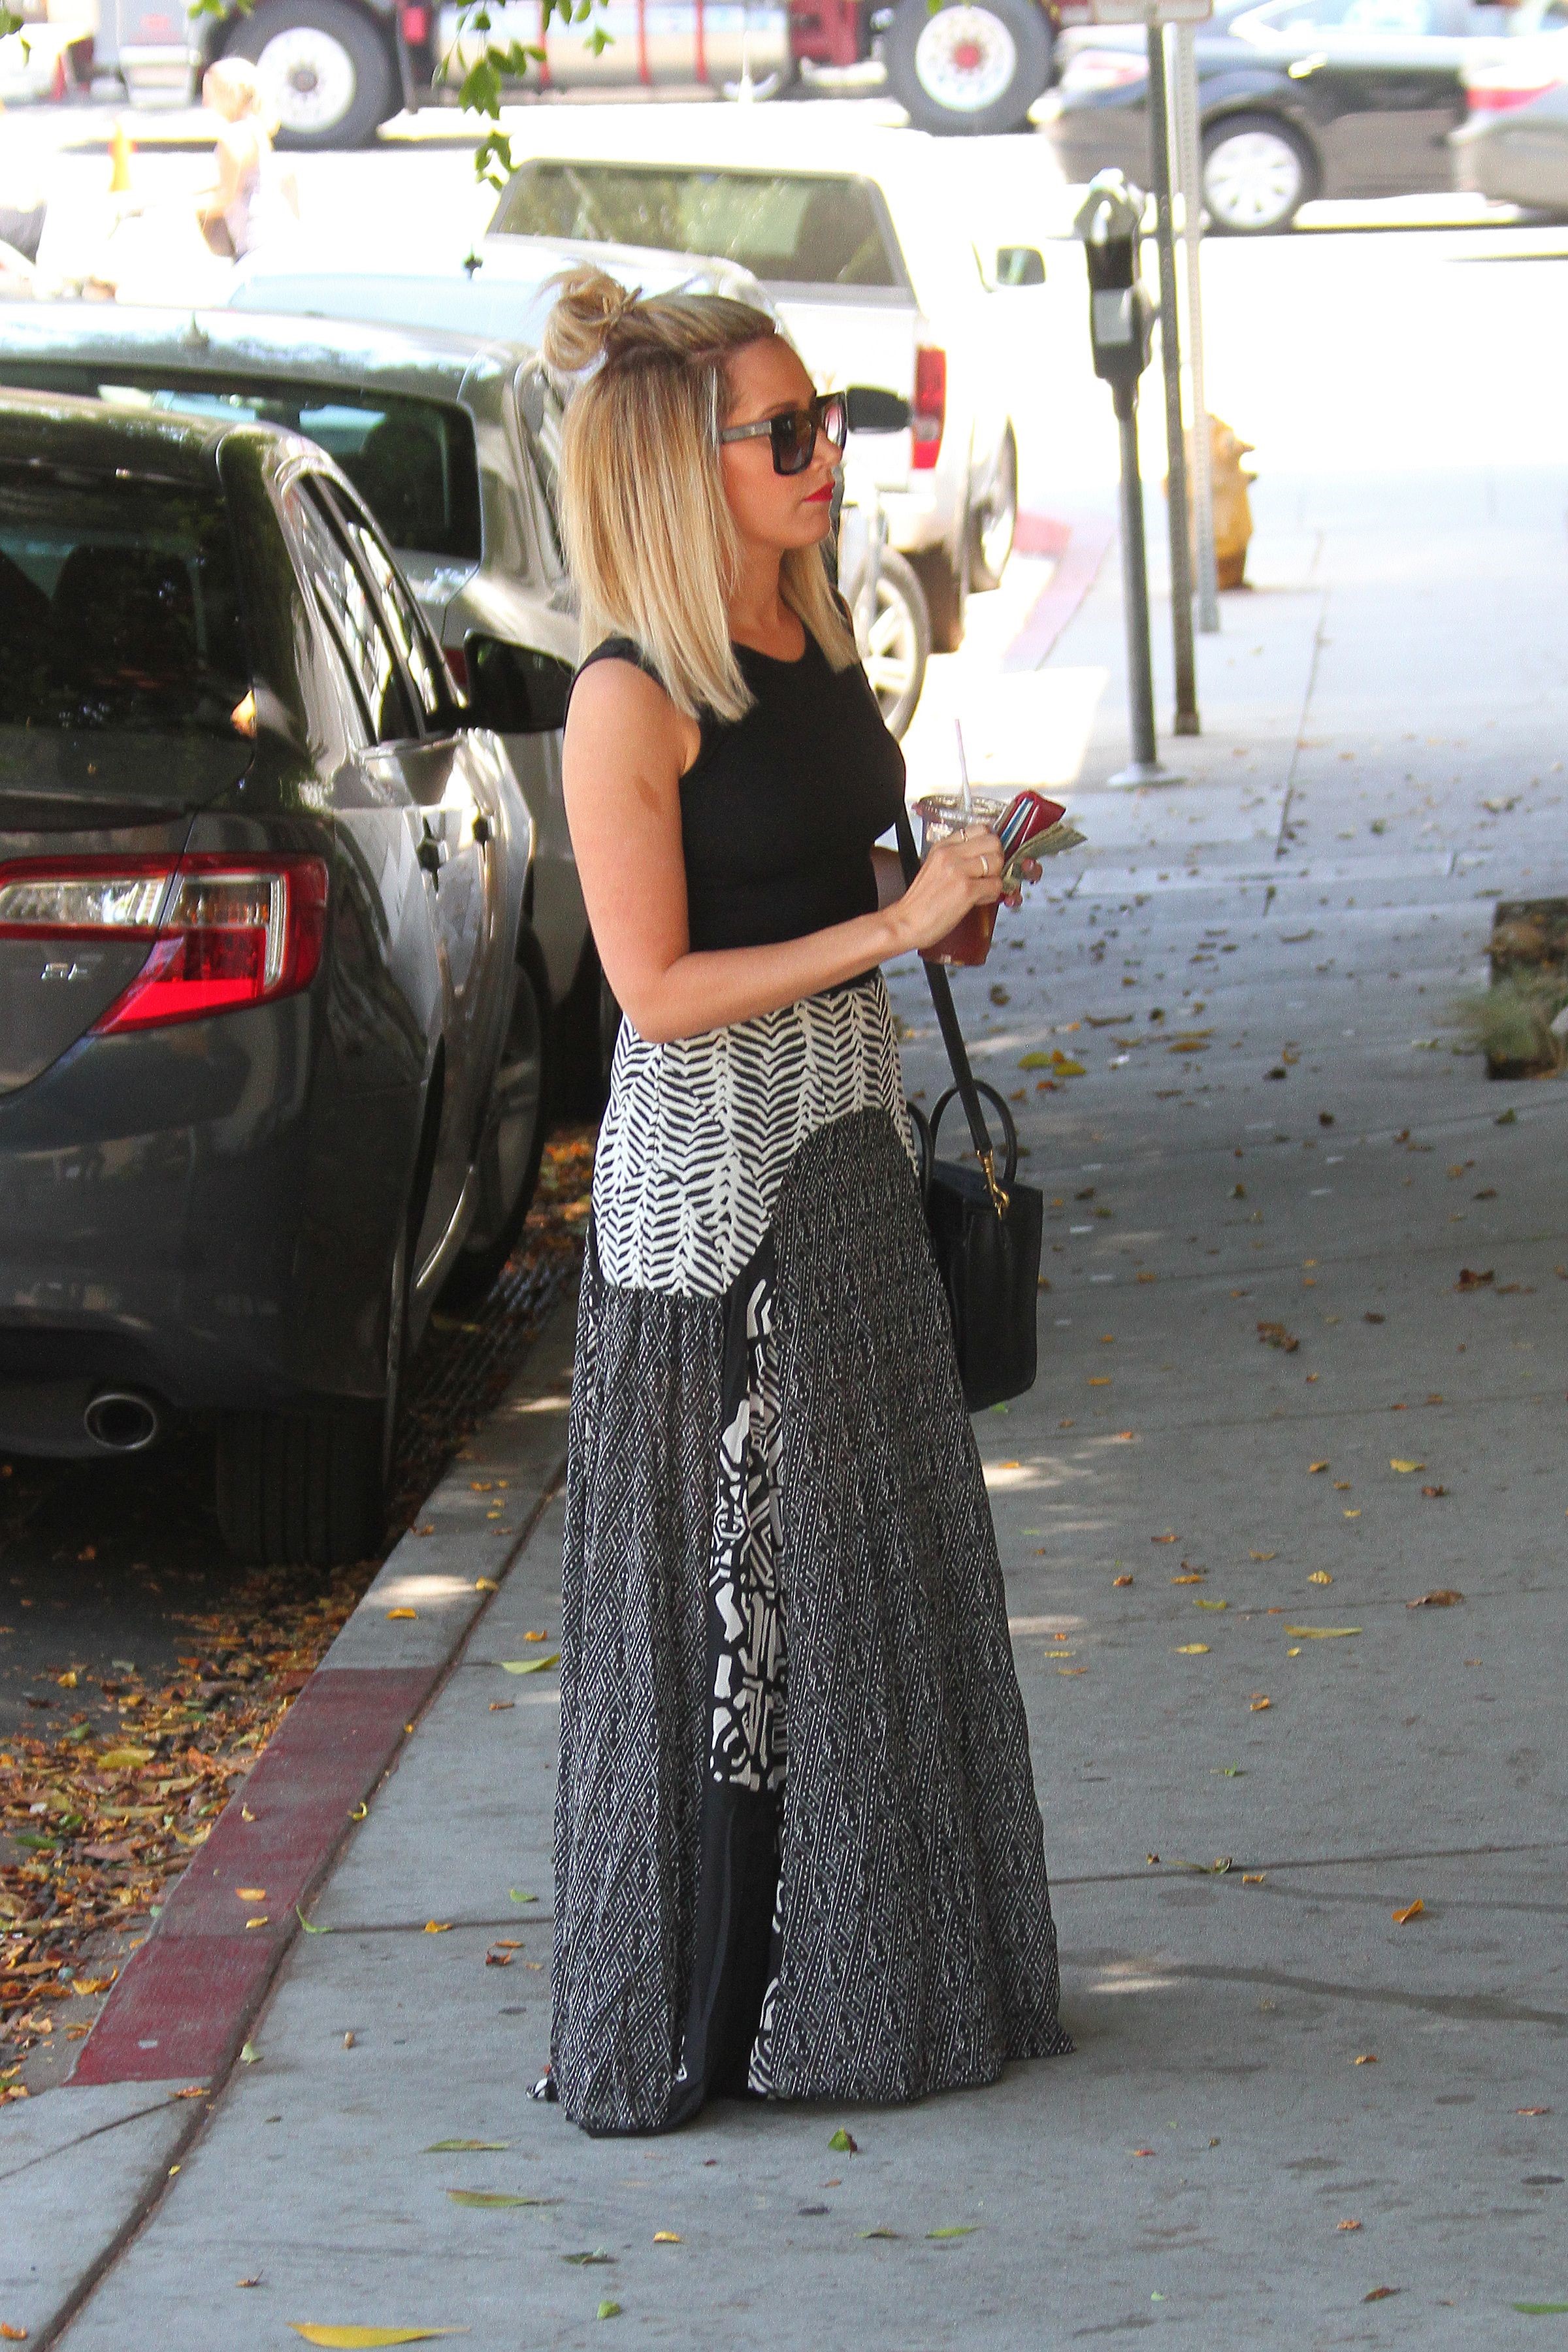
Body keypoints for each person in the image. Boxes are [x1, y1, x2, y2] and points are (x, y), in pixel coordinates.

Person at [540, 267, 1071, 2138]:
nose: (824, 454)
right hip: (713, 1195)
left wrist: (947, 898)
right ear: (677, 468)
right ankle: (711, 2022)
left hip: (846, 1141)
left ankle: (870, 1985)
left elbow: (841, 875)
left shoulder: (814, 617)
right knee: (742, 1605)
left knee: (866, 1569)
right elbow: (654, 986)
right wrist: (884, 923)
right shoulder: (626, 696)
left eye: (823, 418)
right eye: (784, 432)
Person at [194, 59, 297, 262]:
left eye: (209, 94)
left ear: (228, 95)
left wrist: (174, 208)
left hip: (256, 241)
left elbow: (225, 197)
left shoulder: (234, 137)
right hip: (277, 233)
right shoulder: (254, 128)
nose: (205, 102)